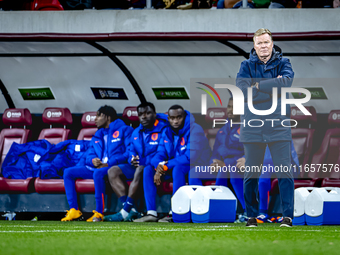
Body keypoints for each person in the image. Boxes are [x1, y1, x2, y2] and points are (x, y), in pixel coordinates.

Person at [236, 28, 295, 227]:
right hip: (253, 126)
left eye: (266, 43)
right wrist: (272, 87)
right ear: (254, 45)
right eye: (259, 43)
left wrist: (258, 86)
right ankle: (251, 216)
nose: (263, 46)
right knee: (251, 173)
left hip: (278, 125)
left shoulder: (284, 63)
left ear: (272, 44)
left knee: (284, 172)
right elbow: (244, 92)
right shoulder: (245, 65)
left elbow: (286, 83)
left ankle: (287, 216)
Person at [134, 105, 211, 223]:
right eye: (172, 118)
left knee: (177, 169)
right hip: (175, 164)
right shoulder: (166, 131)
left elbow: (191, 157)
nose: (175, 121)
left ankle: (175, 211)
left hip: (195, 165)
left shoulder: (195, 129)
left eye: (179, 117)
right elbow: (160, 153)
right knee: (148, 169)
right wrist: (158, 166)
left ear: (184, 117)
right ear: (168, 118)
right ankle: (151, 213)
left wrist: (165, 165)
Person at [61, 105, 133, 222]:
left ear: (108, 117)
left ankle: (99, 213)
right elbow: (89, 153)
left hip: (113, 167)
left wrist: (110, 163)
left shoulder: (125, 130)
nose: (95, 119)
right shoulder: (97, 135)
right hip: (96, 167)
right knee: (68, 172)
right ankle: (74, 210)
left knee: (98, 174)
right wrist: (93, 160)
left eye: (98, 116)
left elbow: (128, 153)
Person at [103, 102, 168, 222]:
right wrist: (131, 159)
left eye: (148, 113)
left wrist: (142, 161)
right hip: (138, 165)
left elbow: (163, 152)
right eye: (141, 114)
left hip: (153, 166)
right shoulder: (136, 132)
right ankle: (131, 209)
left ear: (154, 114)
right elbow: (131, 151)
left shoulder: (164, 129)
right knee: (112, 171)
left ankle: (125, 211)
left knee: (141, 168)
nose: (144, 116)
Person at [209, 97, 247, 223]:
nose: (230, 110)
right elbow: (215, 152)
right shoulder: (222, 129)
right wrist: (213, 162)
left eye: (234, 107)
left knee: (229, 168)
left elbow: (255, 149)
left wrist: (247, 159)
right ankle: (215, 211)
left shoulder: (248, 127)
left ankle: (247, 211)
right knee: (195, 172)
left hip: (242, 165)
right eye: (229, 106)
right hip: (226, 166)